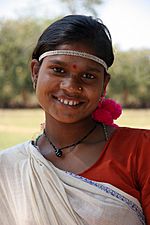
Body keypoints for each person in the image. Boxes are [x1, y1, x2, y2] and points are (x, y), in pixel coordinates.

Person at [0, 15, 149, 225]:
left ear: (104, 85)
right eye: (58, 70)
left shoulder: (141, 151)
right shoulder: (8, 168)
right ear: (35, 72)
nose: (70, 86)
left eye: (88, 76)